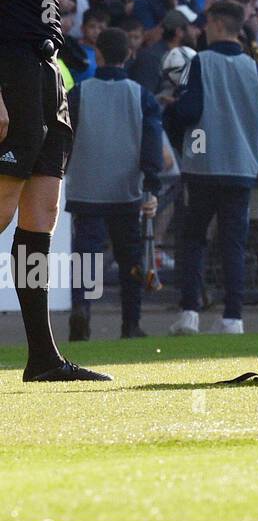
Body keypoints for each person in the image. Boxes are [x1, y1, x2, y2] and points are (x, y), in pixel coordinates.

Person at [0, 0, 111, 381]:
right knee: (1, 205)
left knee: (41, 211)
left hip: (45, 73)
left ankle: (42, 358)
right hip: (11, 71)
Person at [167, 0, 258, 335]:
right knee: (234, 242)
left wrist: (171, 111)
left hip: (203, 166)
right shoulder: (254, 68)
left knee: (193, 239)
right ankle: (233, 317)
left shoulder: (199, 62)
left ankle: (190, 311)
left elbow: (189, 112)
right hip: (241, 168)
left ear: (217, 24)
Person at [64, 27, 164, 341]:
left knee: (86, 256)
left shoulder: (79, 93)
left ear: (99, 53)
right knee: (130, 260)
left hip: (86, 189)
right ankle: (130, 324)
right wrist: (152, 183)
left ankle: (82, 306)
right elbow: (151, 144)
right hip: (127, 193)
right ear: (129, 54)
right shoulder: (141, 95)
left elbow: (63, 136)